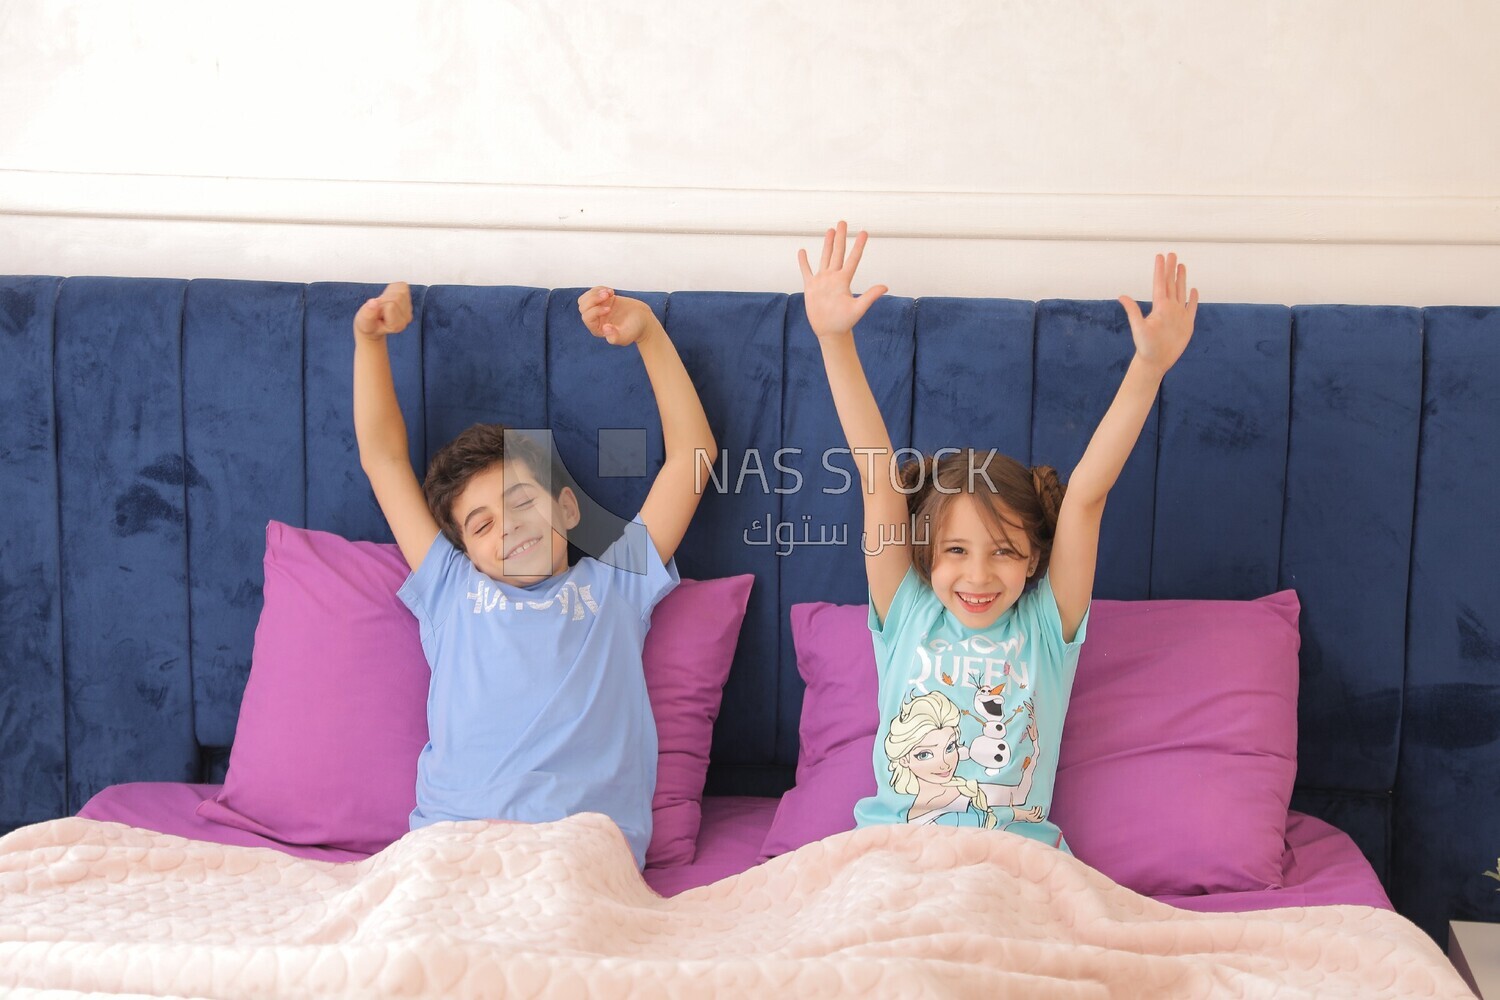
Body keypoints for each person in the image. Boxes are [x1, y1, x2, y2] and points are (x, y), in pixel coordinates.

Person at [797, 222, 1198, 850]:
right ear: (926, 552)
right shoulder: (906, 611)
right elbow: (878, 478)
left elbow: (1086, 498)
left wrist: (1148, 368)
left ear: (1035, 555)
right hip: (891, 857)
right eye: (955, 551)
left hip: (1012, 867)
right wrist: (834, 340)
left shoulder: (1045, 627)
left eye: (1004, 552)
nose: (978, 576)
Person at [352, 282, 716, 869]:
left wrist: (646, 331)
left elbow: (692, 456)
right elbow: (383, 459)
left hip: (577, 851)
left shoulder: (617, 582)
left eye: (523, 500)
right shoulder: (451, 589)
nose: (509, 528)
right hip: (449, 844)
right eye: (481, 523)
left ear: (568, 510)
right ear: (465, 550)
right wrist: (368, 342)